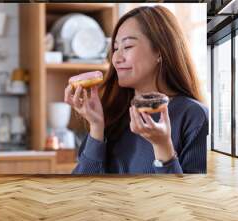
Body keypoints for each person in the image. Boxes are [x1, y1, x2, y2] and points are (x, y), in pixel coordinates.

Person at [65, 5, 208, 174]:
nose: (116, 58)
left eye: (127, 47)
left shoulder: (194, 116)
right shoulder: (113, 114)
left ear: (160, 51)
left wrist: (163, 147)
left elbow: (189, 198)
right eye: (115, 48)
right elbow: (81, 191)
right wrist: (96, 126)